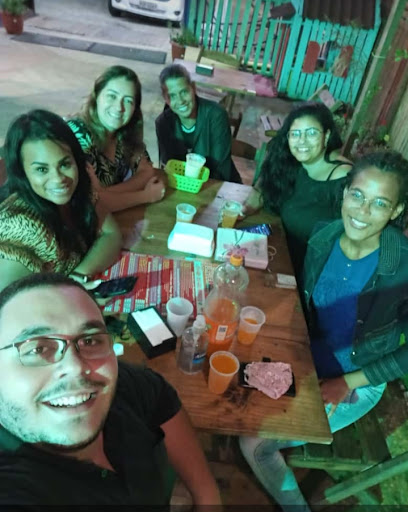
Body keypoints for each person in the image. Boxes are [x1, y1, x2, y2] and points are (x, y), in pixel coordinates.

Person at [239, 151, 408, 512]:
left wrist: (348, 382)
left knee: (253, 442)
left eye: (380, 203)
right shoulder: (324, 236)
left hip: (356, 381)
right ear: (345, 192)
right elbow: (307, 305)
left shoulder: (402, 268)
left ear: (396, 210)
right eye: (357, 195)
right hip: (306, 358)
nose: (363, 211)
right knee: (230, 381)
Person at [0, 272, 221, 506]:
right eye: (37, 349)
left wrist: (207, 498)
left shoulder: (118, 380)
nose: (76, 367)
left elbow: (160, 397)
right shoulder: (15, 487)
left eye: (89, 341)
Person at [0, 109, 122, 292]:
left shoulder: (80, 191)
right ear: (22, 172)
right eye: (42, 169)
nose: (58, 179)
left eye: (65, 164)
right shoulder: (21, 228)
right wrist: (71, 294)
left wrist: (77, 277)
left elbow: (111, 233)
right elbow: (8, 304)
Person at [244, 102, 352, 278]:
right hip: (278, 250)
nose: (302, 141)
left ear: (326, 136)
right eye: (295, 134)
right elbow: (263, 188)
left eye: (311, 133)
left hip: (308, 272)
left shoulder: (343, 179)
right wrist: (244, 209)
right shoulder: (292, 161)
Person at [67, 65, 165, 212]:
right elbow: (90, 204)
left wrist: (104, 194)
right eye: (112, 96)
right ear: (96, 96)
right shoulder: (78, 134)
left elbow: (147, 171)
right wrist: (146, 196)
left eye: (128, 100)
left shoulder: (124, 134)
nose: (119, 107)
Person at [155, 63, 242, 183]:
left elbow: (221, 169)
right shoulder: (163, 123)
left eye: (184, 92)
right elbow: (168, 166)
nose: (180, 101)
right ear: (165, 98)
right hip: (182, 186)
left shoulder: (216, 115)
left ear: (193, 88)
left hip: (218, 185)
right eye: (172, 96)